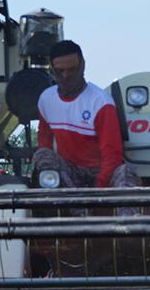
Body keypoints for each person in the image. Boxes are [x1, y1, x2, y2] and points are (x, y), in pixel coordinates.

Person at [31, 39, 139, 188]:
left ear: (82, 66)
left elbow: (112, 156)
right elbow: (45, 143)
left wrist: (98, 189)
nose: (66, 75)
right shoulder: (46, 100)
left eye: (72, 69)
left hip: (101, 171)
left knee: (125, 173)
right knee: (42, 155)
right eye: (60, 71)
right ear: (52, 71)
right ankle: (57, 206)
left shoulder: (101, 102)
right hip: (69, 172)